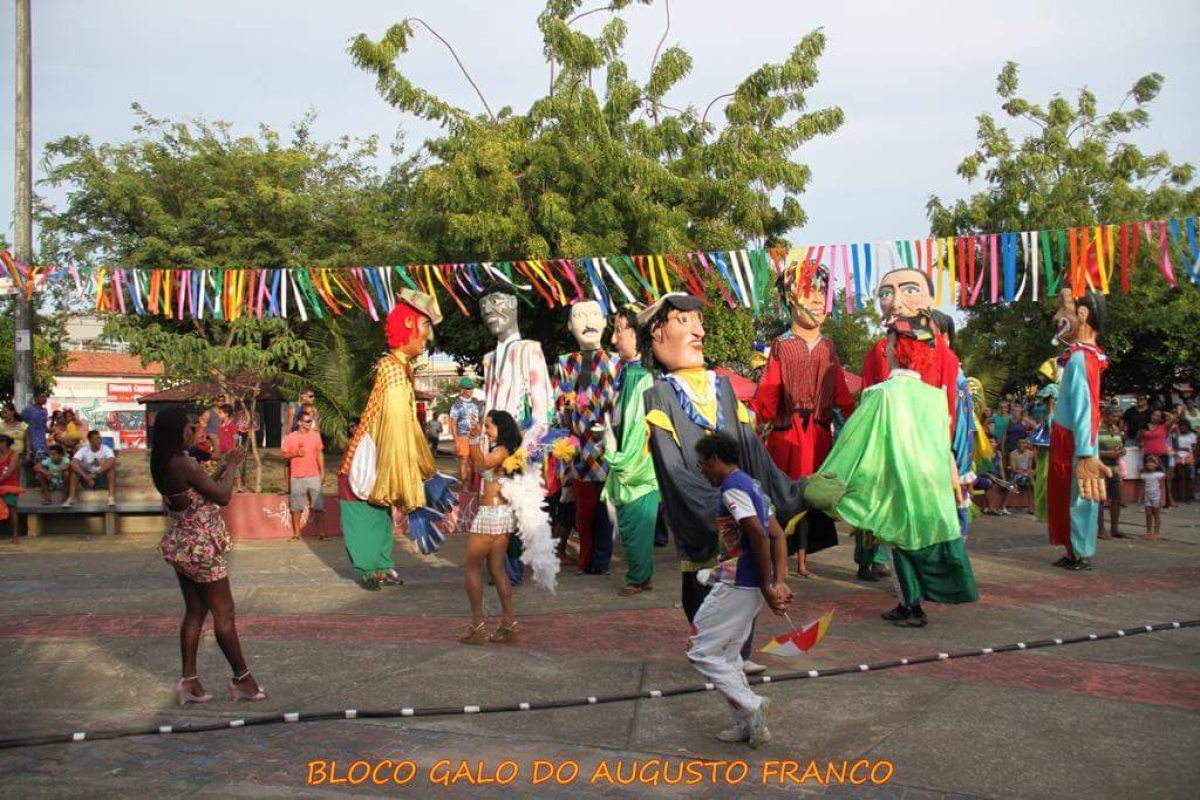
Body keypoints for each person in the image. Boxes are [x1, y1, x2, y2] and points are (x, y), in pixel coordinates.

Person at [638, 292, 843, 626]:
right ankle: (712, 648)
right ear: (656, 334)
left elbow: (754, 453)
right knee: (705, 590)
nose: (699, 333)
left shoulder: (722, 386)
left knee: (744, 592)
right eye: (684, 321)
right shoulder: (659, 395)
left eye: (699, 323)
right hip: (706, 518)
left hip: (741, 507)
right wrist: (719, 508)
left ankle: (733, 653)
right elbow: (673, 472)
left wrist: (795, 490)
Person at [822, 310, 978, 629]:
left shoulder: (880, 394)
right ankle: (914, 602)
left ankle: (911, 606)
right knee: (919, 543)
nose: (888, 348)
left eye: (891, 342)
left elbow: (855, 442)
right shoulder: (934, 397)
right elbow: (942, 442)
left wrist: (827, 481)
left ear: (896, 347)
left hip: (895, 482)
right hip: (929, 483)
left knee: (898, 547)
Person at [151, 405, 266, 704]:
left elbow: (200, 489)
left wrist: (222, 465)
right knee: (223, 614)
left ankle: (189, 681)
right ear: (177, 432)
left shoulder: (165, 462)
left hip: (182, 546)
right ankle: (243, 680)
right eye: (190, 428)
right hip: (201, 549)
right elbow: (222, 495)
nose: (196, 431)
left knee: (195, 611)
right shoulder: (183, 463)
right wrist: (232, 466)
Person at [751, 261, 855, 578]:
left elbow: (841, 394)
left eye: (822, 293)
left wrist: (857, 423)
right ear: (791, 298)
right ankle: (780, 555)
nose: (816, 300)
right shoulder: (782, 345)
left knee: (814, 498)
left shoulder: (828, 346)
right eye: (809, 292)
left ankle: (803, 558)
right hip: (788, 435)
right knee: (786, 497)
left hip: (820, 434)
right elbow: (769, 391)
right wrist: (754, 424)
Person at [689, 431, 791, 748]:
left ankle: (752, 703)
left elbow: (760, 536)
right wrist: (779, 581)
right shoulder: (753, 485)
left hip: (739, 584)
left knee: (701, 651)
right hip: (747, 583)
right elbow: (778, 535)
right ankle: (751, 726)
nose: (702, 470)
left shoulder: (733, 489)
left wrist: (766, 584)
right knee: (728, 658)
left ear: (716, 459)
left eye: (703, 464)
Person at [340, 290, 446, 591]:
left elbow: (407, 425)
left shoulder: (401, 368)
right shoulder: (391, 369)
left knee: (381, 519)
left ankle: (383, 566)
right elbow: (397, 426)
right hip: (368, 459)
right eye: (424, 330)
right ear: (410, 326)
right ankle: (368, 569)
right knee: (363, 520)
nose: (426, 340)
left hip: (381, 462)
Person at [479, 283, 552, 584]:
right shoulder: (489, 358)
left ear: (513, 306)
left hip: (516, 451)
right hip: (490, 449)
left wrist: (525, 452)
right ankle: (497, 569)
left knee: (515, 512)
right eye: (484, 306)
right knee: (493, 512)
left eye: (497, 303)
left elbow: (541, 410)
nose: (490, 312)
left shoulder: (529, 350)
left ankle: (510, 571)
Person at [553, 299, 621, 576]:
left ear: (605, 322)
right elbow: (559, 405)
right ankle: (586, 558)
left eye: (595, 314)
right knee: (583, 511)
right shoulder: (564, 363)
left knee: (605, 511)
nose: (589, 321)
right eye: (580, 316)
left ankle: (600, 560)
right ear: (570, 325)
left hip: (607, 448)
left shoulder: (617, 363)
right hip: (578, 451)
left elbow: (618, 402)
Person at [1047, 288, 1110, 571]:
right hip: (1068, 435)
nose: (1058, 317)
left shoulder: (1082, 358)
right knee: (1067, 494)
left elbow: (1087, 406)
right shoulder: (1078, 357)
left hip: (1077, 439)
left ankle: (1081, 551)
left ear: (1082, 315)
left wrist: (1085, 451)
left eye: (1065, 310)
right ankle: (1073, 549)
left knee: (1081, 494)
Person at [602, 302, 660, 596]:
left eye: (619, 331)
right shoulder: (630, 375)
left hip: (637, 468)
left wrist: (619, 459)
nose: (613, 339)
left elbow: (638, 431)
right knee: (632, 527)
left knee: (636, 525)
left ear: (638, 335)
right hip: (630, 463)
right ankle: (641, 575)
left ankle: (639, 578)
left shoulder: (643, 378)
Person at [460, 410, 524, 644]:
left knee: (471, 569)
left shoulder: (500, 451)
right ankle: (509, 623)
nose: (486, 430)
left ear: (501, 428)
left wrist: (474, 440)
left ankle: (478, 626)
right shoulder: (510, 451)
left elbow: (482, 462)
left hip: (490, 516)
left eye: (489, 427)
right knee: (497, 570)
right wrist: (476, 442)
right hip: (503, 516)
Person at [281, 409, 327, 541]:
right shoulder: (291, 437)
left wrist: (322, 472)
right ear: (300, 422)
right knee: (296, 507)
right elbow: (283, 455)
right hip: (297, 477)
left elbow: (319, 454)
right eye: (307, 421)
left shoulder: (315, 436)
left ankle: (322, 533)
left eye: (311, 421)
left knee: (319, 506)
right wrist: (295, 454)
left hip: (314, 476)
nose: (310, 423)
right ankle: (296, 534)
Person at [63, 430, 118, 508]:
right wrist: (86, 477)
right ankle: (71, 498)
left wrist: (96, 473)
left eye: (99, 438)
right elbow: (73, 462)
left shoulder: (106, 448)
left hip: (101, 477)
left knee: (111, 470)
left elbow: (112, 460)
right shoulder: (84, 449)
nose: (98, 441)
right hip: (87, 479)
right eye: (95, 439)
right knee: (74, 471)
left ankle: (111, 497)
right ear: (90, 440)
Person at [1097, 406, 1128, 539]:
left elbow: (1119, 446)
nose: (1116, 419)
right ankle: (1101, 529)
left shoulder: (1116, 429)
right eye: (1114, 416)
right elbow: (1090, 450)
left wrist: (1121, 451)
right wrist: (1106, 453)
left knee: (1117, 498)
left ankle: (1114, 528)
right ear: (1106, 415)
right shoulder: (1096, 428)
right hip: (1100, 467)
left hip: (1114, 468)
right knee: (1100, 499)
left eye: (1117, 417)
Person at [1138, 410, 1175, 509]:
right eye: (1154, 414)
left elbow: (1173, 418)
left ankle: (1164, 502)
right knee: (1148, 478)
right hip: (1148, 455)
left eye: (1158, 416)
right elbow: (1139, 438)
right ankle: (1147, 501)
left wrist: (1165, 412)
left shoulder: (1164, 426)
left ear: (1161, 418)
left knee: (1163, 478)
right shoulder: (1144, 426)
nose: (1155, 417)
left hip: (1162, 455)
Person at [449, 377, 482, 485]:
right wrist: (456, 441)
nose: (471, 390)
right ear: (462, 390)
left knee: (475, 461)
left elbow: (481, 418)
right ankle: (464, 484)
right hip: (462, 436)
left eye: (472, 388)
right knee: (464, 459)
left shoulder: (477, 402)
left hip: (475, 436)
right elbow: (453, 424)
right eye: (468, 388)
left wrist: (479, 427)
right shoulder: (457, 405)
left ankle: (474, 484)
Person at [0, 435, 22, 541]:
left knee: (12, 509)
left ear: (5, 443)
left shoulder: (14, 454)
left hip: (10, 485)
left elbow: (10, 471)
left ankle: (15, 536)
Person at [216, 404, 242, 492]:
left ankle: (239, 487)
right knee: (220, 468)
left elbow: (236, 438)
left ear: (226, 414)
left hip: (230, 452)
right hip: (221, 452)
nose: (219, 415)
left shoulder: (232, 425)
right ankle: (219, 488)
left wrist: (233, 449)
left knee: (235, 469)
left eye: (220, 413)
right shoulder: (220, 426)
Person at [20, 392, 49, 469]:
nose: (44, 398)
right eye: (42, 396)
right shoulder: (28, 409)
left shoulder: (45, 411)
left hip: (42, 442)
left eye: (45, 397)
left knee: (43, 465)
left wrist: (51, 430)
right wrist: (25, 431)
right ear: (35, 398)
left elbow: (44, 425)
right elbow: (20, 422)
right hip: (30, 441)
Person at [1139, 455, 1166, 540]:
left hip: (1156, 498)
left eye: (1152, 462)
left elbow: (1162, 487)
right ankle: (1148, 532)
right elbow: (1143, 487)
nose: (1149, 464)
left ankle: (1156, 532)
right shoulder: (1144, 475)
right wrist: (1140, 498)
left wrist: (1163, 499)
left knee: (1156, 515)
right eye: (1148, 462)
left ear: (1157, 465)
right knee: (1148, 514)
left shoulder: (1160, 475)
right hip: (1147, 497)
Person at [1, 403, 28, 470]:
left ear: (12, 412)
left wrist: (28, 453)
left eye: (5, 412)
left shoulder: (23, 425)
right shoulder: (0, 426)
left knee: (17, 476)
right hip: (5, 456)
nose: (3, 414)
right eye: (2, 412)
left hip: (19, 455)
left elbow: (27, 440)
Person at [1175, 420, 1196, 503]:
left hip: (1189, 456)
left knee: (1188, 477)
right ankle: (1180, 496)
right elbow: (1175, 446)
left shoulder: (1192, 435)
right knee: (1179, 476)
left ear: (1188, 426)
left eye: (1185, 426)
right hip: (1178, 456)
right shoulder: (1176, 435)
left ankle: (1188, 497)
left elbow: (1193, 447)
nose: (1183, 427)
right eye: (1181, 426)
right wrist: (1182, 448)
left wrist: (1186, 449)